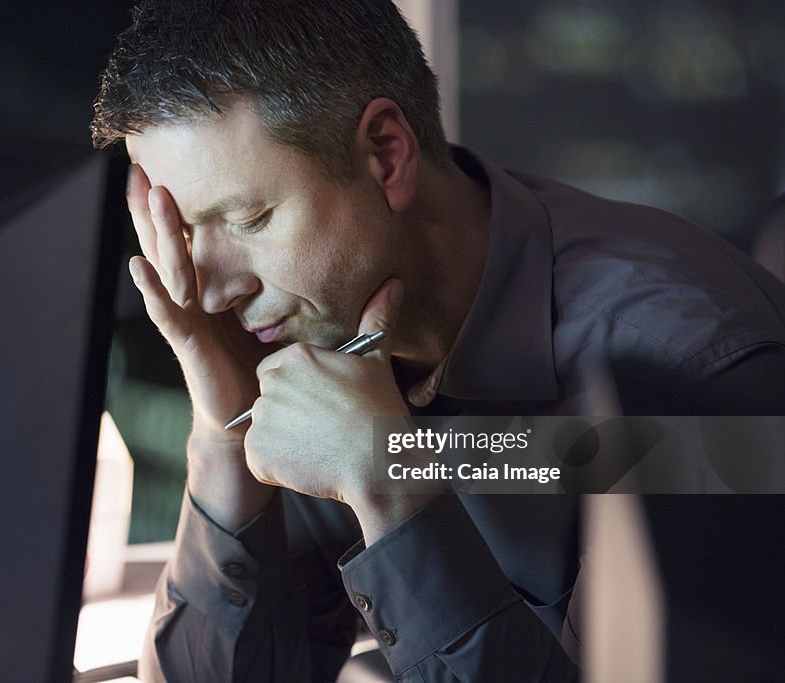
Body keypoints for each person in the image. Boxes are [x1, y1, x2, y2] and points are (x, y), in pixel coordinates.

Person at [90, 1, 785, 680]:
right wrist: (221, 438)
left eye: (246, 218)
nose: (210, 293)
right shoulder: (326, 336)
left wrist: (391, 484)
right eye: (182, 233)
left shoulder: (690, 365)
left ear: (386, 154)